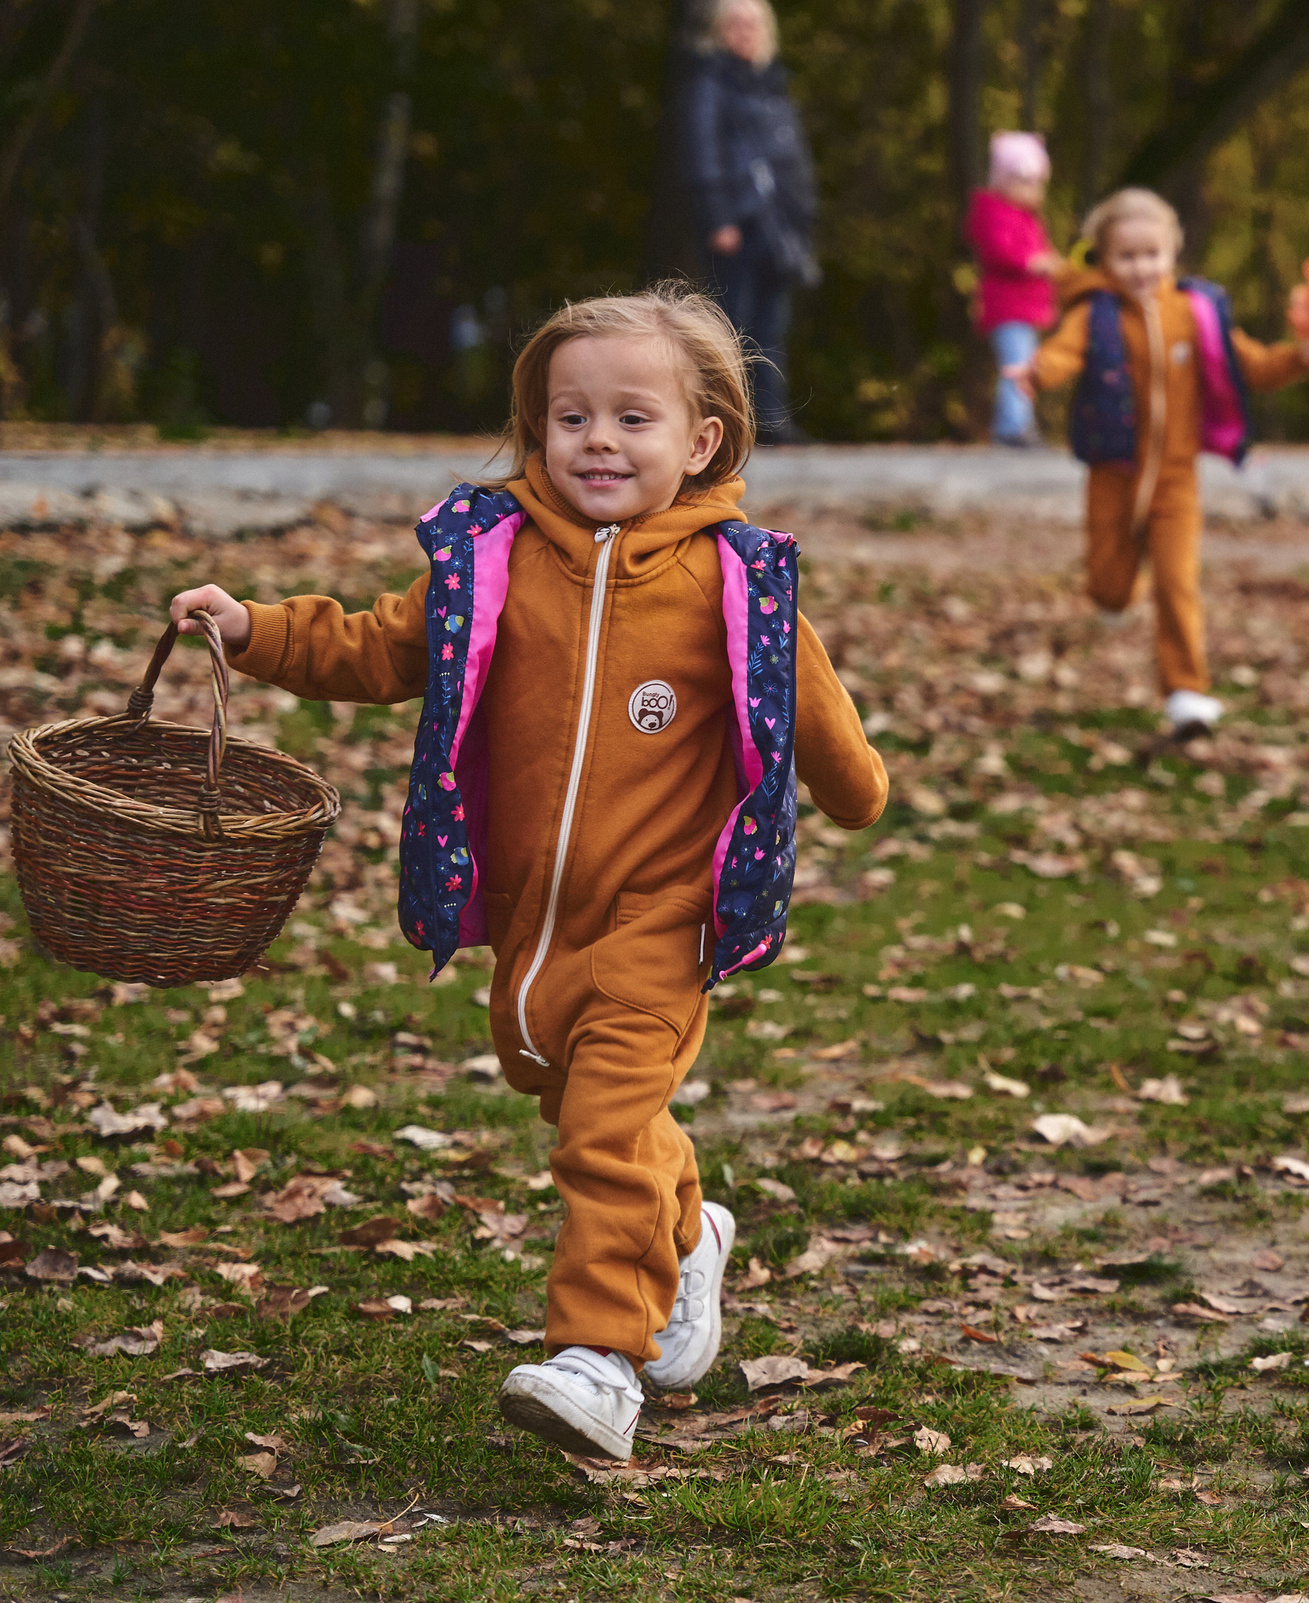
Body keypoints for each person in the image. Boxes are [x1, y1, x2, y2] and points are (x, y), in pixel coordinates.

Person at [166, 286, 891, 1459]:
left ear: (701, 440)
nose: (597, 440)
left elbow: (818, 717)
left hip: (660, 920)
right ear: (537, 426)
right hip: (525, 921)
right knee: (574, 1097)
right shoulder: (493, 562)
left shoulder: (735, 587)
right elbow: (380, 646)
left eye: (631, 418)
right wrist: (254, 630)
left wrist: (857, 788)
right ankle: (691, 1232)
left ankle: (599, 1360)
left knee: (600, 1132)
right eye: (571, 417)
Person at [1005, 188, 1309, 741]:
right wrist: (1036, 373)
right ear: (1104, 260)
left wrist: (1301, 357)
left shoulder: (1196, 314)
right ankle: (1122, 589)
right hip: (1113, 473)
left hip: (1177, 479)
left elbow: (1253, 365)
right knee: (1108, 587)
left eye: (1152, 254)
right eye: (1127, 257)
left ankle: (1187, 695)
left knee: (1178, 583)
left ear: (1172, 253)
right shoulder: (1095, 314)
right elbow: (1063, 353)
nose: (1141, 267)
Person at [686, 0, 819, 442]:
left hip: (779, 228)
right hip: (738, 224)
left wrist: (801, 221)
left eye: (753, 24)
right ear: (720, 31)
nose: (745, 32)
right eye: (736, 24)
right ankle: (725, 424)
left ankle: (772, 420)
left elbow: (791, 159)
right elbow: (705, 153)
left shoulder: (772, 84)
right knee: (730, 326)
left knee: (771, 328)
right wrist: (719, 216)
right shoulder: (711, 83)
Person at [968, 131, 1063, 447]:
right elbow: (1000, 251)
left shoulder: (1025, 217)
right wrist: (1034, 262)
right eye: (1026, 183)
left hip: (1024, 307)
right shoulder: (995, 212)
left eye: (1037, 184)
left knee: (1023, 364)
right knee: (1017, 366)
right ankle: (1011, 428)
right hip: (1008, 307)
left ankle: (1019, 424)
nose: (1034, 191)